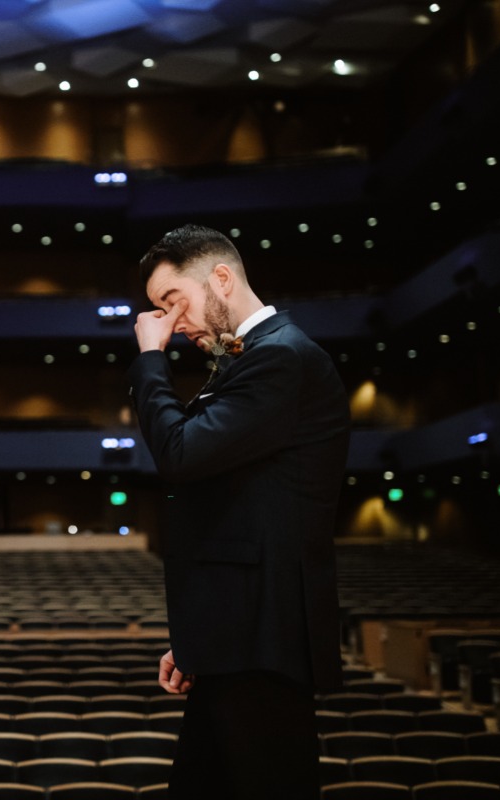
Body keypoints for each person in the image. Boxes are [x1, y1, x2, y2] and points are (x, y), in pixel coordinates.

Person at [128, 225, 349, 799]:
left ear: (221, 278)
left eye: (172, 302)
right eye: (159, 313)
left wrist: (150, 358)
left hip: (263, 639)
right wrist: (202, 637)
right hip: (238, 637)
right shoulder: (257, 358)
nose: (171, 324)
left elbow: (180, 453)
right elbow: (236, 508)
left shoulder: (281, 357)